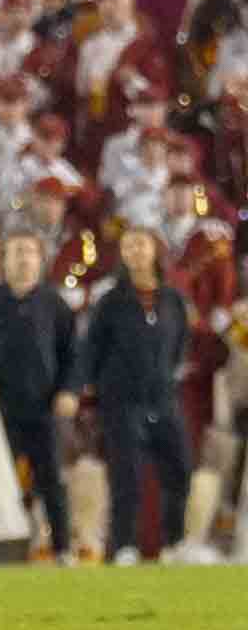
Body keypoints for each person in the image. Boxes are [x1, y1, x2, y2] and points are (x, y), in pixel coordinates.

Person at [71, 229, 201, 565]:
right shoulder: (110, 302)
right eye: (128, 246)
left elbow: (180, 345)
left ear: (155, 251)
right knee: (126, 475)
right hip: (121, 400)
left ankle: (175, 544)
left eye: (141, 244)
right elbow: (90, 350)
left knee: (181, 469)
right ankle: (125, 546)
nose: (135, 251)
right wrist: (84, 389)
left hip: (163, 398)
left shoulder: (172, 300)